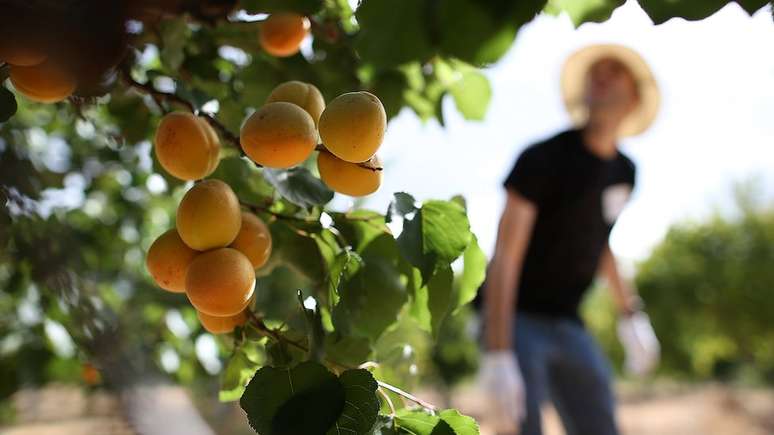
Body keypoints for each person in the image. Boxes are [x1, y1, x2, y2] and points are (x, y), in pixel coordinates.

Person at [478, 44, 661, 435]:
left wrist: (631, 316)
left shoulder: (624, 173)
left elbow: (601, 243)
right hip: (517, 317)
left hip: (568, 319)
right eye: (595, 71)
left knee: (601, 423)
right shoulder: (543, 159)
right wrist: (499, 353)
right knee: (521, 425)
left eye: (614, 71)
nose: (601, 76)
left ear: (634, 97)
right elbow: (505, 256)